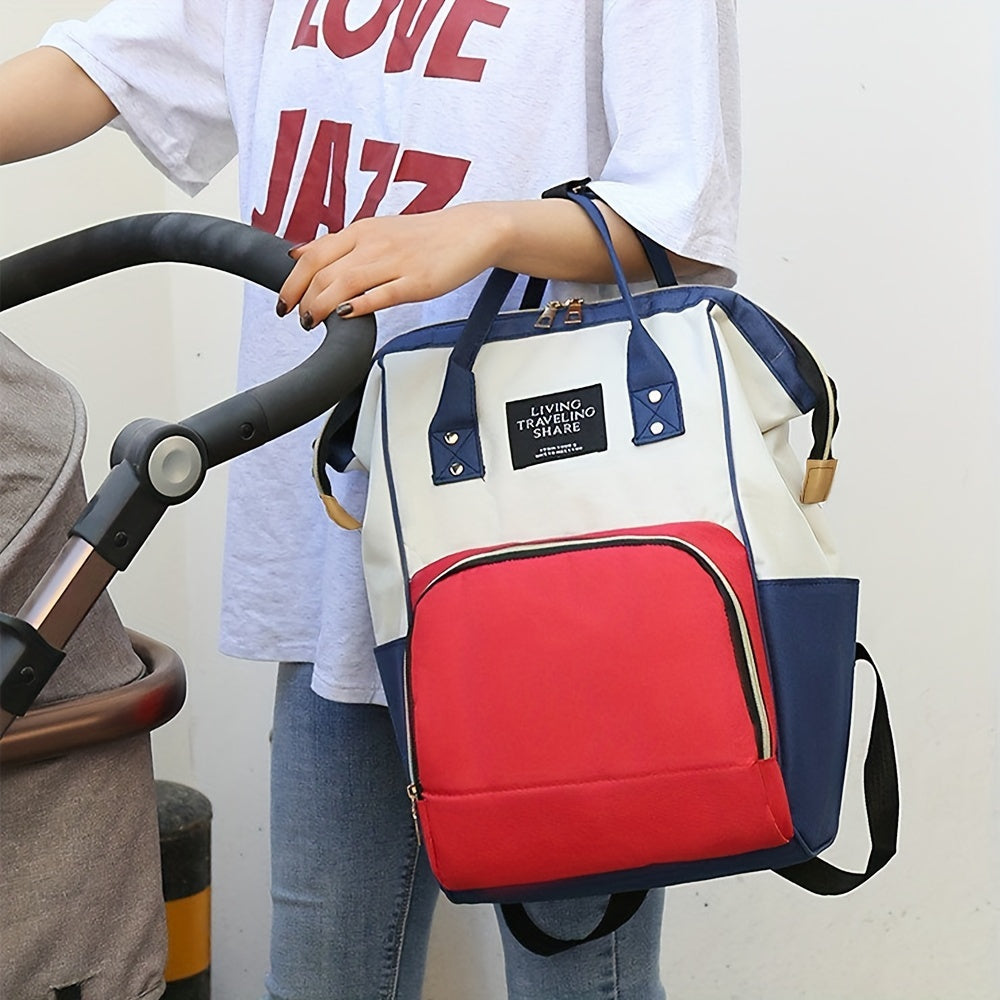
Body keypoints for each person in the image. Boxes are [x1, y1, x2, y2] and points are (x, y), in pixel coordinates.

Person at [0, 2, 740, 997]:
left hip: (540, 549)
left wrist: (487, 229)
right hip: (338, 524)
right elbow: (99, 69)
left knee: (580, 974)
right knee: (322, 975)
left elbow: (676, 218)